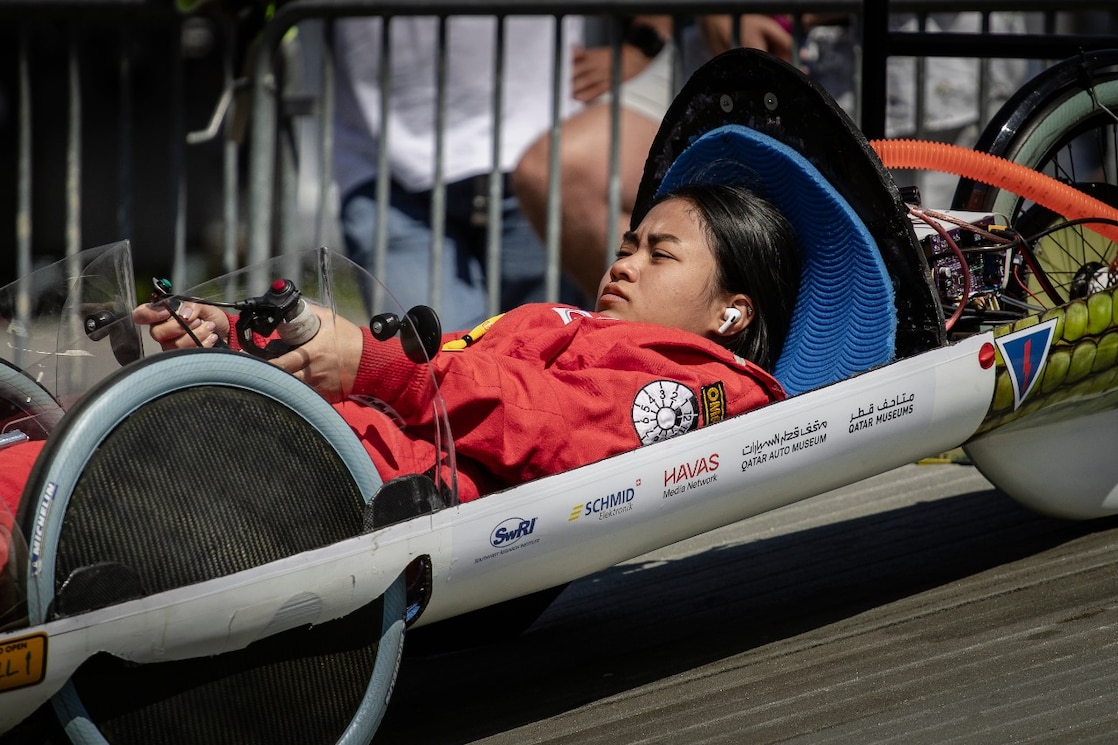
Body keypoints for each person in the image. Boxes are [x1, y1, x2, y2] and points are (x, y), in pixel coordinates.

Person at [0, 183, 801, 515]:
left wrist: (373, 363)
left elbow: (557, 427)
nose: (622, 259)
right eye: (628, 241)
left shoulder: (699, 386)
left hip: (322, 480)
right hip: (300, 442)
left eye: (659, 253)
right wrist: (241, 335)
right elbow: (429, 367)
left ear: (733, 312)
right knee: (46, 441)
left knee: (35, 484)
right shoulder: (564, 324)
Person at [512, 14, 801, 302]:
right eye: (624, 250)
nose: (621, 267)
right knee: (553, 170)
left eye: (659, 255)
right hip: (704, 52)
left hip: (835, 46)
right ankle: (645, 333)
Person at [334, 15, 584, 331]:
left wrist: (645, 47)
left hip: (539, 161)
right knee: (432, 364)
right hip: (382, 171)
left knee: (545, 356)